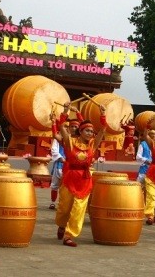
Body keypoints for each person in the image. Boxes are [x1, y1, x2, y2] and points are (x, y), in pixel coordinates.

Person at [55, 101, 106, 247]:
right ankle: (61, 225)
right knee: (65, 207)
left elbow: (103, 130)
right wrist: (65, 111)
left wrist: (103, 114)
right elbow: (60, 127)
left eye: (91, 131)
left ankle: (69, 235)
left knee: (79, 208)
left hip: (84, 179)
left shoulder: (92, 145)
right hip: (70, 177)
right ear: (81, 131)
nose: (90, 133)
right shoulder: (70, 142)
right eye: (87, 131)